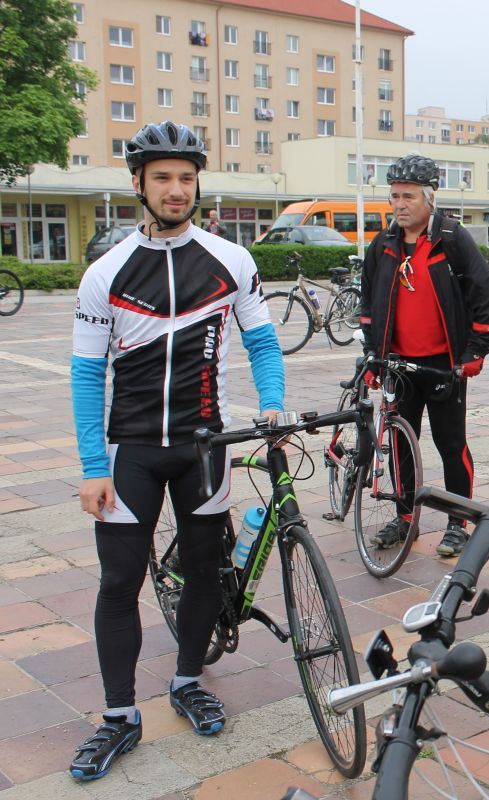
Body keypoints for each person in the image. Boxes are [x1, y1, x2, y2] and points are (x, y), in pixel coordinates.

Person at [70, 120, 285, 780]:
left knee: (203, 570)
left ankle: (188, 680)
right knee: (117, 582)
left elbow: (263, 343)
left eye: (186, 178)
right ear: (138, 183)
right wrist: (92, 466)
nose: (175, 189)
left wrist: (273, 402)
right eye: (162, 177)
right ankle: (118, 716)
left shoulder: (232, 261)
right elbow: (86, 374)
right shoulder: (106, 272)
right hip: (130, 450)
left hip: (205, 444)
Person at [359, 153, 489, 557]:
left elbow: (487, 293)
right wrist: (373, 354)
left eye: (408, 197)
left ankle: (458, 522)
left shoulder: (451, 238)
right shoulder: (383, 245)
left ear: (429, 199)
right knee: (401, 445)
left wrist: (476, 350)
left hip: (443, 366)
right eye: (394, 196)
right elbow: (368, 303)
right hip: (398, 365)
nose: (399, 205)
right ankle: (405, 519)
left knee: (450, 444)